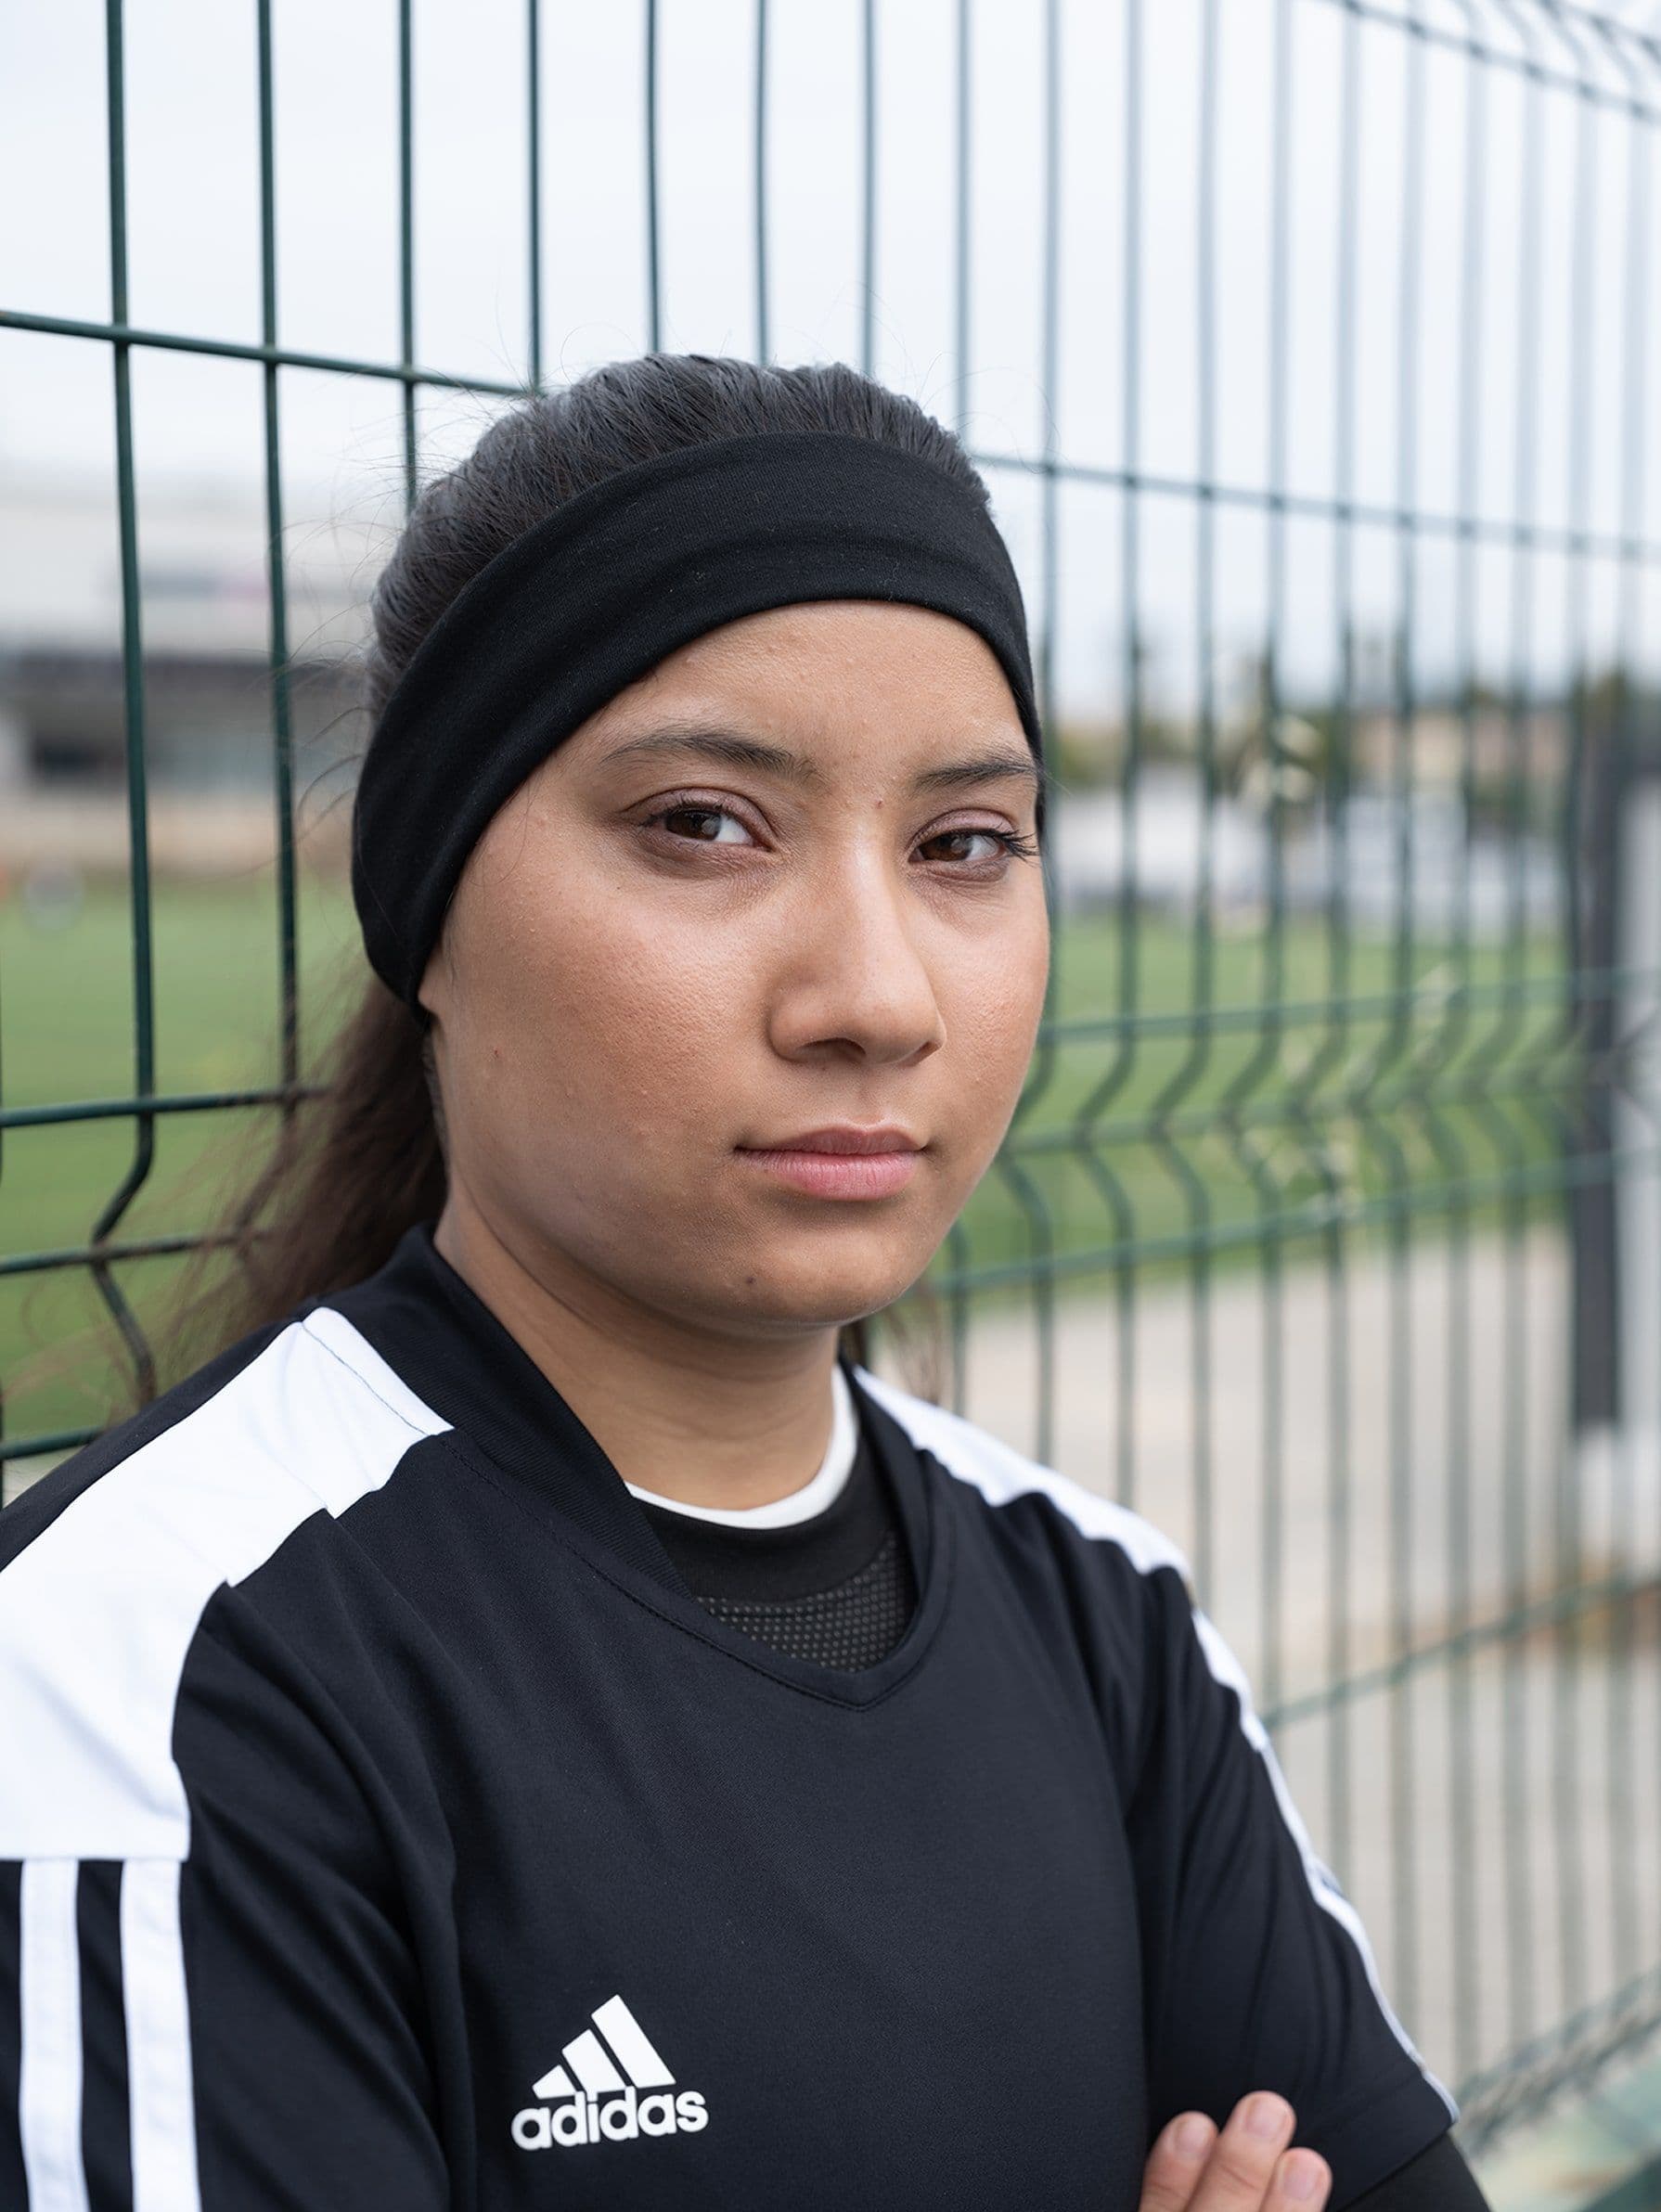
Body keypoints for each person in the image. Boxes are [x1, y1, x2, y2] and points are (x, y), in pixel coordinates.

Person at [0, 354, 1489, 2210]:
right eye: (705, 823)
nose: (874, 994)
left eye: (963, 844)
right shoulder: (148, 1679)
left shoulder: (1106, 1622)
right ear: (432, 905)